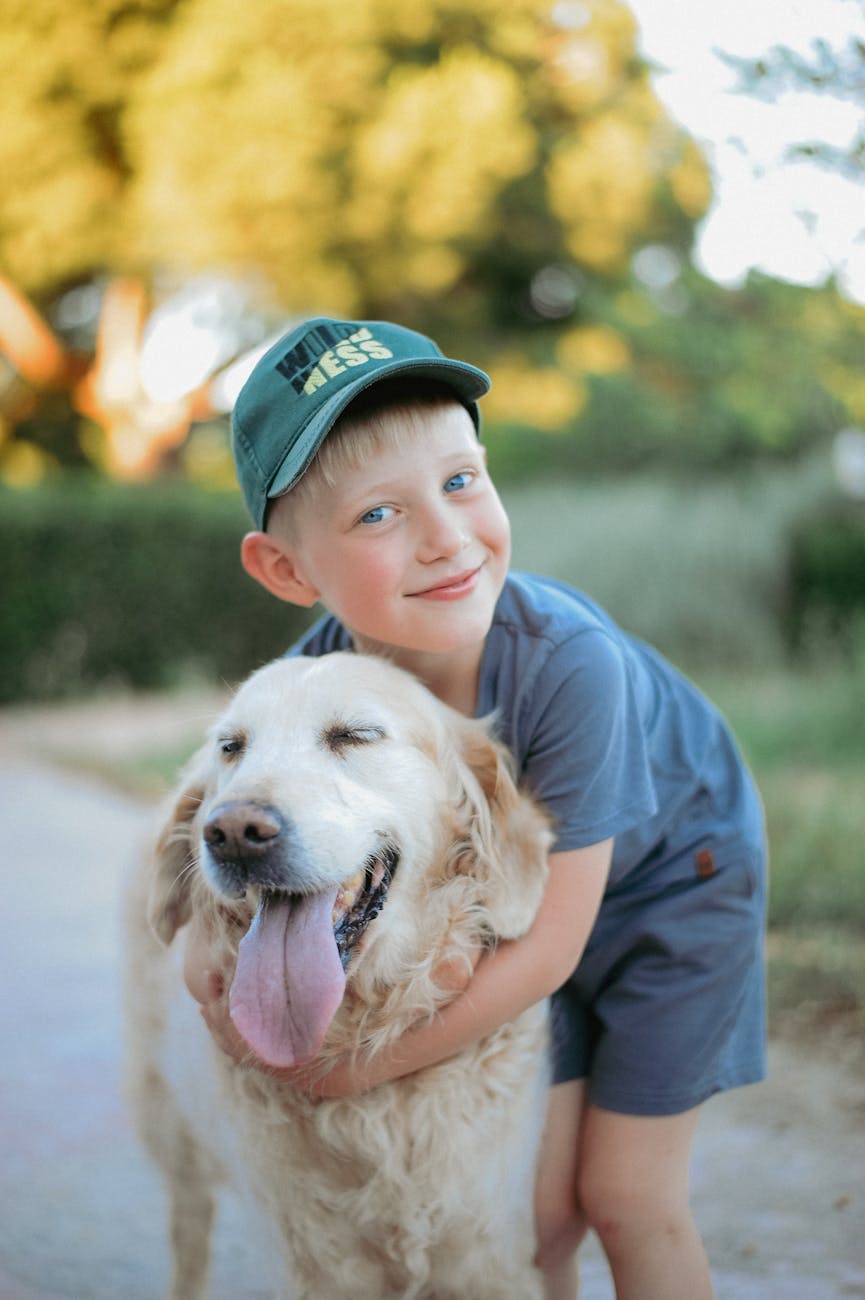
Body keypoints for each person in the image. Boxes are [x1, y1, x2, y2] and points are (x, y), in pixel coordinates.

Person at [183, 316, 767, 1300]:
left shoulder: (570, 662)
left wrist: (346, 1072)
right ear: (288, 571)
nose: (446, 535)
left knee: (624, 1194)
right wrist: (212, 976)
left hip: (670, 884)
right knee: (535, 1215)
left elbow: (549, 950)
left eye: (461, 481)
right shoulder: (301, 692)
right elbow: (221, 858)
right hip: (517, 900)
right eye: (378, 514)